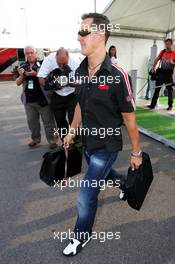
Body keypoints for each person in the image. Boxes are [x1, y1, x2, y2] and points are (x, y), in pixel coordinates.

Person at [62, 13, 142, 256]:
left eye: (83, 32)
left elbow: (129, 118)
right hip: (87, 142)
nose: (78, 37)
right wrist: (71, 131)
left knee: (86, 193)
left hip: (106, 146)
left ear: (99, 36)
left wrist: (136, 153)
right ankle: (125, 185)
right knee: (108, 176)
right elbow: (78, 105)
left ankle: (80, 237)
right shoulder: (79, 70)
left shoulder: (119, 75)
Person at [16, 46, 57, 149]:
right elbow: (18, 82)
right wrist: (22, 75)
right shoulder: (22, 66)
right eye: (27, 53)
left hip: (43, 99)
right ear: (25, 54)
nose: (30, 55)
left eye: (31, 52)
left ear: (35, 53)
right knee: (32, 122)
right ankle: (35, 139)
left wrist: (36, 74)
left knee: (48, 122)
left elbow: (48, 79)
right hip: (29, 101)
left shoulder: (43, 64)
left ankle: (52, 140)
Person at [38, 48, 80, 141]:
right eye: (59, 63)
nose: (61, 66)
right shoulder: (49, 59)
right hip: (57, 94)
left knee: (73, 119)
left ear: (68, 57)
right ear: (55, 57)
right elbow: (41, 78)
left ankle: (78, 142)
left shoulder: (76, 61)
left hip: (72, 94)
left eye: (64, 64)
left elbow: (82, 81)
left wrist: (69, 83)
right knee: (60, 121)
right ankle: (65, 142)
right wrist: (51, 85)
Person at [147, 39, 175, 110]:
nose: (167, 45)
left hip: (169, 74)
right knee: (157, 89)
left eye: (168, 44)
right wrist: (153, 67)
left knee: (169, 90)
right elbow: (156, 59)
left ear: (171, 44)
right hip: (161, 73)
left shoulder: (174, 53)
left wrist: (172, 62)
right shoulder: (162, 52)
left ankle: (170, 105)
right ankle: (152, 105)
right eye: (166, 44)